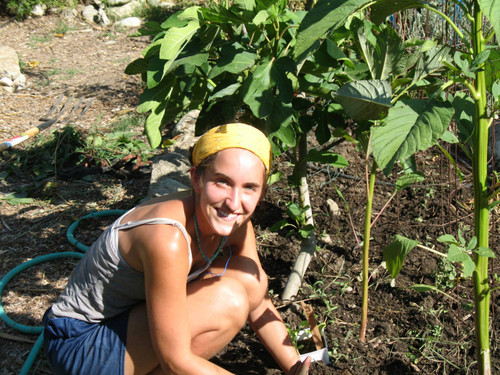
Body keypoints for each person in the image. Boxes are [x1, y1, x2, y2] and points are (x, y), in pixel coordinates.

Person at [43, 123, 311, 374]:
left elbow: (259, 297)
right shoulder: (168, 237)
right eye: (222, 182)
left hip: (130, 320)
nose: (233, 202)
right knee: (227, 300)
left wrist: (297, 365)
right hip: (82, 343)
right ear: (196, 179)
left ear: (261, 192)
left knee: (248, 279)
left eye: (249, 187)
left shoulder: (236, 221)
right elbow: (175, 359)